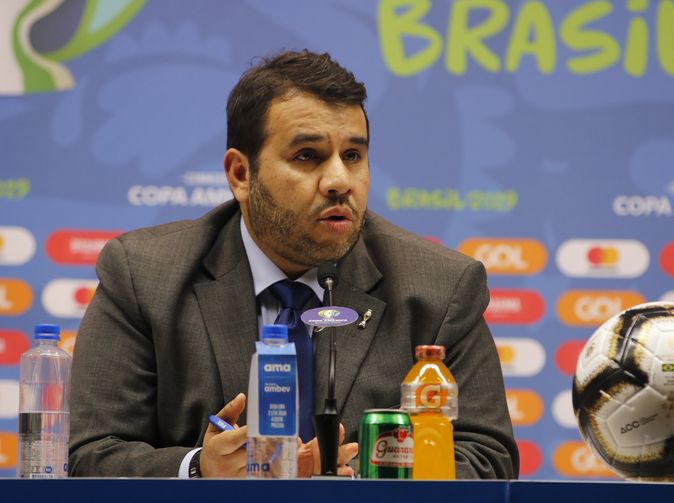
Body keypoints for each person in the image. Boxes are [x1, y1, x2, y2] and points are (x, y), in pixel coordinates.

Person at [68, 50, 519, 479]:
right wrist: (199, 469)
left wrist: (366, 474)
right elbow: (93, 454)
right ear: (241, 175)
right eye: (308, 156)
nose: (340, 181)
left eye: (353, 156)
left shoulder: (439, 288)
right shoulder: (145, 275)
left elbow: (487, 458)